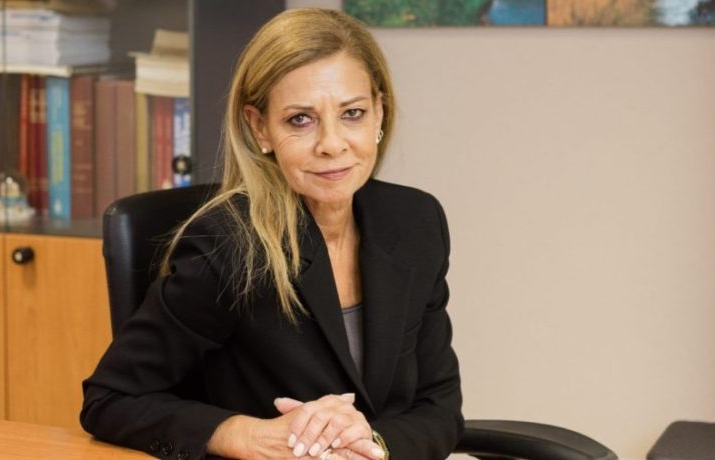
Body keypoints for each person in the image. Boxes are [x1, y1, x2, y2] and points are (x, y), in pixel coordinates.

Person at [81, 8, 463, 460]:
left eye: (353, 113)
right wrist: (246, 435)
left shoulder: (416, 221)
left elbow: (439, 407)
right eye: (300, 119)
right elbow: (111, 399)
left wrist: (373, 444)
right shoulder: (227, 245)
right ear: (260, 127)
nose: (332, 144)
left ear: (379, 112)